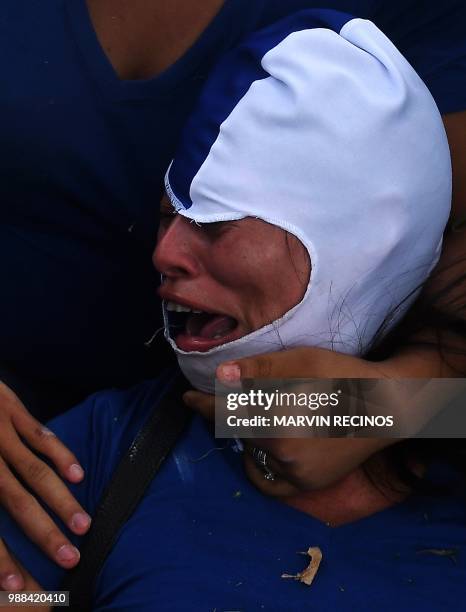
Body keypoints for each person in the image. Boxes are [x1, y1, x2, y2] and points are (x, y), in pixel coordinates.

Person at [1, 13, 464, 611]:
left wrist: (385, 406)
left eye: (217, 226)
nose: (162, 254)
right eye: (168, 217)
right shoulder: (108, 448)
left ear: (363, 243)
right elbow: (39, 600)